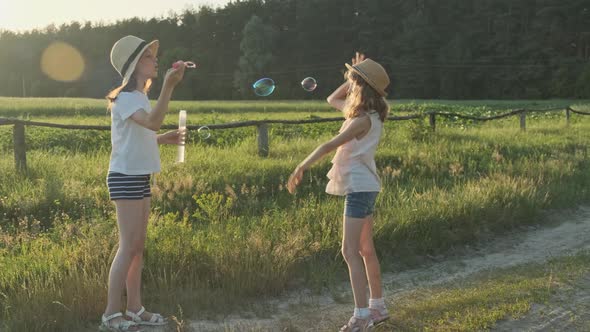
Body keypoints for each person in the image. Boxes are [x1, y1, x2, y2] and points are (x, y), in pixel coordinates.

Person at [287, 52, 391, 331]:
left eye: (353, 83)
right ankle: (377, 307)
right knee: (366, 249)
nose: (349, 86)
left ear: (361, 88)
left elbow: (328, 146)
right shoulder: (369, 114)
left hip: (359, 189)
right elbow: (332, 99)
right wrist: (356, 74)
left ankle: (361, 315)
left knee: (349, 251)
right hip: (366, 187)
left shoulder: (360, 121)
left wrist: (301, 166)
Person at [100, 35, 186, 331]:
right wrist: (169, 86)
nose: (156, 60)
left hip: (139, 175)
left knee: (138, 247)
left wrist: (164, 139)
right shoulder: (124, 98)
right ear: (136, 65)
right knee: (127, 246)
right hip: (124, 177)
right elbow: (151, 123)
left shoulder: (139, 98)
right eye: (149, 57)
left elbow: (141, 135)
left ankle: (135, 308)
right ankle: (111, 314)